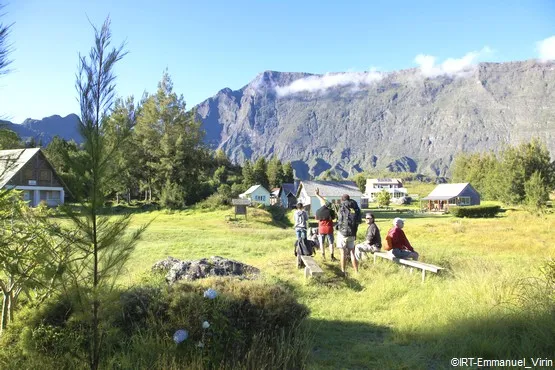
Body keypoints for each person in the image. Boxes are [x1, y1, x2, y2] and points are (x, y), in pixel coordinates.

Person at [336, 194, 362, 275]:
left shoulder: (341, 207)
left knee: (343, 253)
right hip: (352, 233)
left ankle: (343, 271)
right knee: (352, 253)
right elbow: (359, 220)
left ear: (342, 199)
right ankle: (356, 271)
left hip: (343, 233)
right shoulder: (355, 207)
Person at [314, 188, 337, 261]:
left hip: (321, 229)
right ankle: (332, 256)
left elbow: (316, 219)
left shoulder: (318, 211)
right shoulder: (331, 211)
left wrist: (317, 194)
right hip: (329, 228)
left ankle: (323, 256)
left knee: (322, 243)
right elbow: (333, 218)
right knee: (331, 243)